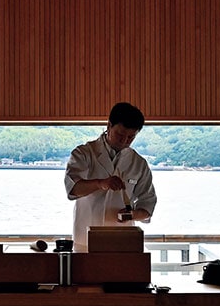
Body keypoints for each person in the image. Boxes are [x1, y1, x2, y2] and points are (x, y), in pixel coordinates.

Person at [64, 102, 157, 251]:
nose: (124, 141)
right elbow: (73, 189)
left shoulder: (139, 163)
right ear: (109, 125)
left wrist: (131, 215)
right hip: (85, 241)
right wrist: (101, 183)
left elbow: (147, 205)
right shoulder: (84, 153)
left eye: (130, 137)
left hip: (123, 241)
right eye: (120, 134)